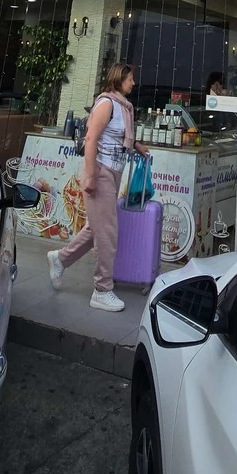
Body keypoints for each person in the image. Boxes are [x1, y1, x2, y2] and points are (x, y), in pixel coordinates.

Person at [46, 62, 148, 312]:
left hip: (113, 172)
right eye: (130, 79)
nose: (133, 83)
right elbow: (91, 138)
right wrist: (90, 176)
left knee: (97, 228)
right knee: (108, 233)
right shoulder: (107, 104)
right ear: (119, 79)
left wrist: (136, 146)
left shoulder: (123, 106)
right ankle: (102, 290)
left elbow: (116, 136)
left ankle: (60, 258)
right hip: (101, 172)